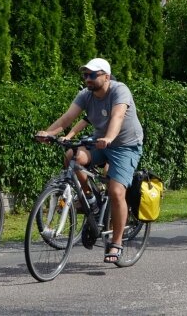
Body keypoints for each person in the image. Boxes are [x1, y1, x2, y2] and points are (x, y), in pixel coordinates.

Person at [36, 58, 143, 263]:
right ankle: (91, 201)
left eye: (92, 75)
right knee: (72, 157)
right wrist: (48, 133)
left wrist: (110, 138)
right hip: (100, 142)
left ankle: (117, 242)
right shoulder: (86, 95)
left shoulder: (120, 90)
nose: (88, 79)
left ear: (106, 76)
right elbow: (67, 118)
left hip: (125, 145)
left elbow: (118, 117)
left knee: (116, 191)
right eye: (85, 75)